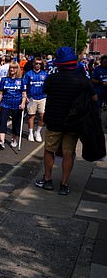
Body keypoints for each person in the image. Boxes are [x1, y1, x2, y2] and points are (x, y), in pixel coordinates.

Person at [35, 47, 97, 195]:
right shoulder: (83, 80)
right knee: (68, 153)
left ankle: (48, 181)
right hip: (74, 123)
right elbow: (94, 99)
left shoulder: (52, 78)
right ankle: (64, 185)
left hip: (54, 121)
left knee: (50, 150)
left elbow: (45, 91)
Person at [0, 61, 27, 150]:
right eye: (11, 68)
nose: (12, 69)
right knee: (2, 121)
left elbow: (24, 94)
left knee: (16, 123)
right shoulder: (4, 80)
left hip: (17, 104)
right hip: (5, 104)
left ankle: (14, 139)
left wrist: (23, 103)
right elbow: (0, 93)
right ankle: (1, 141)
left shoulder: (21, 80)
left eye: (14, 68)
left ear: (18, 69)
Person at [23, 57, 47, 142]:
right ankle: (30, 133)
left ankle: (38, 132)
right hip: (31, 98)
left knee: (42, 115)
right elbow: (24, 85)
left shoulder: (45, 74)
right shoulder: (28, 74)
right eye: (36, 63)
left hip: (42, 97)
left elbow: (47, 86)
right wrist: (25, 95)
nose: (38, 65)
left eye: (40, 64)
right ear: (33, 64)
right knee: (31, 115)